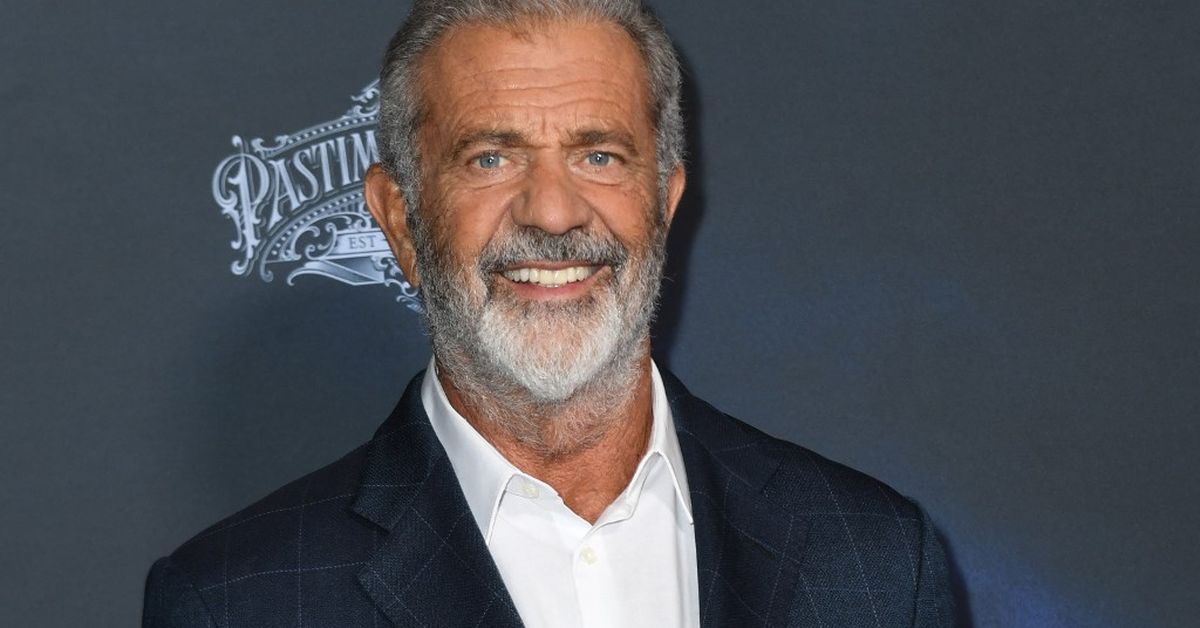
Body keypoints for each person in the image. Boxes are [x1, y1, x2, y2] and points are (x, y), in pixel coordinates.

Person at [143, 1, 953, 626]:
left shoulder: (874, 561)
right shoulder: (236, 602)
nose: (555, 212)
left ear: (665, 203)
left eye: (599, 155)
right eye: (490, 158)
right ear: (400, 221)